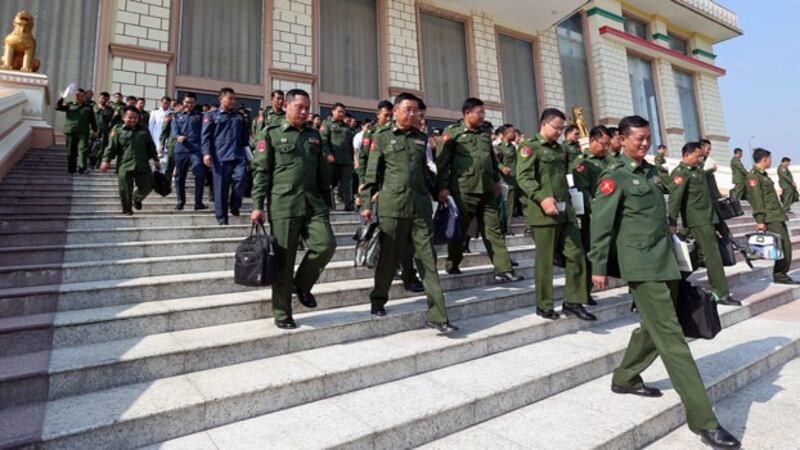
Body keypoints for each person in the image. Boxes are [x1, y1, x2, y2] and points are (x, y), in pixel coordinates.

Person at [590, 115, 741, 450]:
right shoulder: (615, 176)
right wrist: (598, 266)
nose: (644, 143)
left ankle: (625, 376)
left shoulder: (650, 173)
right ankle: (705, 421)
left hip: (667, 262)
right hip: (642, 266)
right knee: (672, 338)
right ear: (623, 139)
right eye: (638, 139)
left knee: (653, 329)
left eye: (647, 138)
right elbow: (601, 225)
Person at [360, 92, 457, 334]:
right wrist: (365, 204)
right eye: (408, 109)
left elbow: (427, 172)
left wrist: (439, 192)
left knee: (428, 260)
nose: (413, 114)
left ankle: (438, 314)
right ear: (395, 111)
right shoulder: (381, 137)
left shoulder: (422, 139)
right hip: (392, 207)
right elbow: (371, 175)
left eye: (416, 110)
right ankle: (378, 299)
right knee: (388, 259)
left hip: (420, 208)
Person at [250, 89, 337, 329]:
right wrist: (257, 205)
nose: (304, 111)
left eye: (307, 107)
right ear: (286, 107)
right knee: (284, 261)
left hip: (313, 202)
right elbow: (261, 172)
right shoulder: (271, 134)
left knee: (326, 245)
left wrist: (327, 201)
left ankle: (301, 284)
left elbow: (322, 175)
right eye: (299, 106)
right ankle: (282, 312)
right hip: (284, 203)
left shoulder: (314, 136)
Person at [517, 108, 594, 321]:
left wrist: (583, 152)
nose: (559, 132)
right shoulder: (529, 147)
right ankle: (544, 304)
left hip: (565, 211)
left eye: (561, 129)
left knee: (576, 254)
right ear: (544, 124)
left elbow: (569, 173)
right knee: (545, 260)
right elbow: (523, 177)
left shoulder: (560, 150)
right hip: (543, 213)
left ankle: (573, 301)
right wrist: (542, 198)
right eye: (556, 128)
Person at [436, 98, 522, 282]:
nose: (483, 116)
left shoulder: (484, 133)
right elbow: (442, 163)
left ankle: (503, 269)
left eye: (483, 112)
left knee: (494, 230)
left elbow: (491, 158)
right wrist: (442, 187)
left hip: (488, 190)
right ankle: (453, 263)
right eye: (479, 112)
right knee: (461, 231)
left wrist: (497, 181)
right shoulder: (453, 133)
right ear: (467, 113)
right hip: (464, 190)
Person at [668, 142, 739, 305]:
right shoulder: (680, 174)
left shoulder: (698, 171)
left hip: (709, 217)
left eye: (701, 156)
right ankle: (721, 293)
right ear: (687, 155)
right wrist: (672, 222)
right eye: (698, 156)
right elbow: (674, 200)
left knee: (699, 256)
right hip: (698, 221)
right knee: (713, 256)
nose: (700, 159)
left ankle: (673, 284)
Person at [571, 125, 612, 306]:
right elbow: (582, 191)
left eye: (608, 144)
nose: (606, 148)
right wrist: (597, 211)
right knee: (589, 256)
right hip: (592, 216)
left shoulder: (609, 160)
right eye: (603, 144)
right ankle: (583, 293)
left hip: (611, 213)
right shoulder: (582, 162)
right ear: (593, 141)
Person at [747, 148, 797, 284]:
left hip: (776, 214)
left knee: (784, 245)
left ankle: (781, 273)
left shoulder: (763, 175)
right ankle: (780, 274)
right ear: (764, 159)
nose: (771, 161)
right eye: (770, 159)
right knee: (784, 245)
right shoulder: (753, 176)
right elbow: (756, 199)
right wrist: (760, 220)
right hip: (770, 216)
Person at [100, 106, 160, 215]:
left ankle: (137, 198)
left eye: (135, 118)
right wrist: (106, 160)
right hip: (124, 163)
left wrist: (156, 159)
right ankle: (127, 210)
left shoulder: (144, 129)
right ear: (124, 117)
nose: (132, 120)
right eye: (130, 117)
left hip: (142, 163)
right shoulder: (117, 129)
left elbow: (151, 145)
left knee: (148, 185)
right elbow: (111, 147)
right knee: (125, 189)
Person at [202, 87, 249, 225]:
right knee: (220, 189)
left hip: (238, 155)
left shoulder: (239, 116)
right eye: (230, 98)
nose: (233, 101)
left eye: (234, 98)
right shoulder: (211, 115)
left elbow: (245, 139)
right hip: (220, 156)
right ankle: (222, 217)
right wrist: (206, 153)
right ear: (221, 99)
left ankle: (235, 204)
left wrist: (249, 155)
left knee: (241, 180)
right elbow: (205, 136)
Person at [170, 93, 207, 211]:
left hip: (196, 150)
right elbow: (174, 130)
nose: (188, 104)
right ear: (183, 103)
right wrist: (178, 137)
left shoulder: (200, 116)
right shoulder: (176, 116)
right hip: (181, 150)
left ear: (195, 103)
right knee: (179, 176)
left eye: (191, 102)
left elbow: (204, 132)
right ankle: (180, 201)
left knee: (199, 174)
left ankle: (198, 202)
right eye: (186, 102)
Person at [321, 103, 356, 211]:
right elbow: (324, 141)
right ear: (333, 111)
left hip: (346, 161)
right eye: (339, 111)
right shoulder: (327, 124)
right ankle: (329, 205)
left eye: (343, 112)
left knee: (347, 184)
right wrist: (328, 154)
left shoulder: (347, 127)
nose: (341, 114)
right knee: (330, 184)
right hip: (333, 160)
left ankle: (348, 204)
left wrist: (353, 158)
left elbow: (351, 144)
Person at [55, 88, 98, 174]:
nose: (78, 97)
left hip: (83, 132)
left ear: (84, 97)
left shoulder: (88, 108)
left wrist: (95, 130)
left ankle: (82, 168)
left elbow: (92, 120)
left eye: (81, 95)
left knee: (83, 150)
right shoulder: (69, 105)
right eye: (77, 95)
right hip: (71, 131)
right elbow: (58, 107)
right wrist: (62, 97)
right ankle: (72, 169)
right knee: (71, 152)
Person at [495, 125, 519, 234]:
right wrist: (502, 168)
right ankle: (502, 227)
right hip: (504, 181)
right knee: (504, 205)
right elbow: (495, 162)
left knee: (510, 206)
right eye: (512, 132)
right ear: (505, 134)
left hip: (514, 180)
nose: (515, 135)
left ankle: (507, 226)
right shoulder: (499, 147)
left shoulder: (513, 147)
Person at [93, 92, 115, 167]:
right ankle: (91, 162)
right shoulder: (93, 107)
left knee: (102, 148)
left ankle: (98, 163)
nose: (103, 100)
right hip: (93, 130)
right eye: (102, 98)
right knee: (91, 147)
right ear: (99, 98)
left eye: (106, 99)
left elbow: (110, 119)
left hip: (104, 131)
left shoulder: (110, 110)